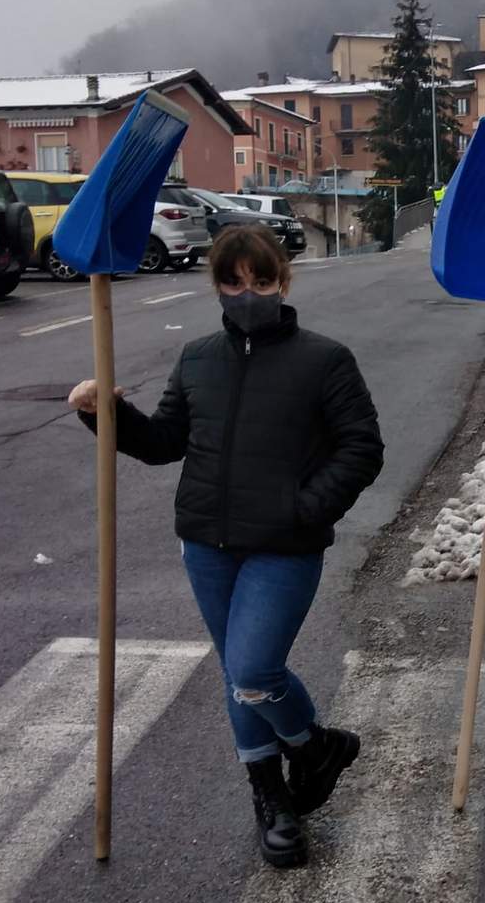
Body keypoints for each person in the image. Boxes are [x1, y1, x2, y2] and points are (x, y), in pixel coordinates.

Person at [68, 224, 384, 869]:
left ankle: (314, 747)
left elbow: (362, 448)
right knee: (237, 676)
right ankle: (275, 796)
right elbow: (163, 443)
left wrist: (305, 509)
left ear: (283, 282)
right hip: (207, 545)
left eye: (261, 281)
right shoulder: (197, 359)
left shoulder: (325, 360)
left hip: (284, 548)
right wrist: (104, 414)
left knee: (254, 671)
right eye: (233, 282)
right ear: (216, 286)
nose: (247, 294)